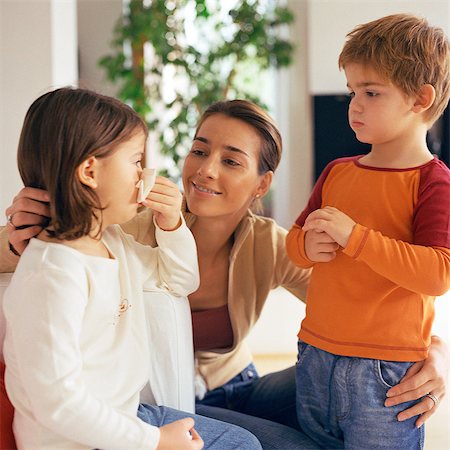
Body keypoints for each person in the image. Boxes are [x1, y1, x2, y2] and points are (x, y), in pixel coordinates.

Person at [1, 99, 448, 449]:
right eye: (199, 150)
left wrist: (431, 352)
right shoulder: (123, 225)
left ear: (262, 184)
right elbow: (42, 259)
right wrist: (23, 230)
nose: (206, 170)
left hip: (240, 385)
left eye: (232, 161)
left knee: (359, 381)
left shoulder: (267, 243)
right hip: (169, 401)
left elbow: (361, 306)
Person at [2, 87, 263, 450]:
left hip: (127, 416)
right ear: (90, 171)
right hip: (75, 440)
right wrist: (153, 440)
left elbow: (180, 280)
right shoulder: (52, 273)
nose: (145, 175)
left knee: (242, 443)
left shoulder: (113, 244)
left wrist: (171, 224)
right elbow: (58, 403)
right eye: (136, 161)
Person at [286, 13, 450, 450]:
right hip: (315, 354)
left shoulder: (433, 181)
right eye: (352, 92)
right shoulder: (337, 172)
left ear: (420, 98)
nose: (354, 105)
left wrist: (354, 238)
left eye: (371, 92)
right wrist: (308, 245)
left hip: (387, 371)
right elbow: (295, 244)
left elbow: (437, 273)